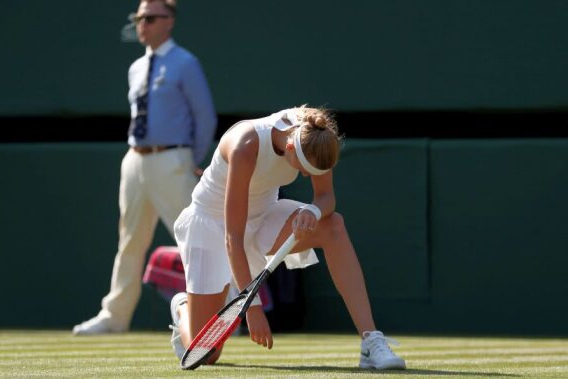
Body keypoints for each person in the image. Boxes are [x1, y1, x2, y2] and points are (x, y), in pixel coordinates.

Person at [168, 106, 406, 369]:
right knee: (207, 355)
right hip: (213, 225)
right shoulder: (244, 146)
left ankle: (370, 341)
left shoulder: (318, 133)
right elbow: (233, 237)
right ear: (291, 148)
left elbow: (326, 197)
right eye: (304, 170)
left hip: (264, 215)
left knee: (334, 226)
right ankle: (183, 308)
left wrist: (313, 210)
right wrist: (254, 308)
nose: (306, 175)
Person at [73, 0, 217, 335]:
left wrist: (190, 159)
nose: (143, 24)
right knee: (130, 240)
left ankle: (217, 316)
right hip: (135, 159)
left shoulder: (185, 63)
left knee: (192, 239)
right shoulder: (136, 67)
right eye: (139, 18)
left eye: (150, 18)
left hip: (172, 160)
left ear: (169, 22)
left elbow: (205, 116)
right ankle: (115, 316)